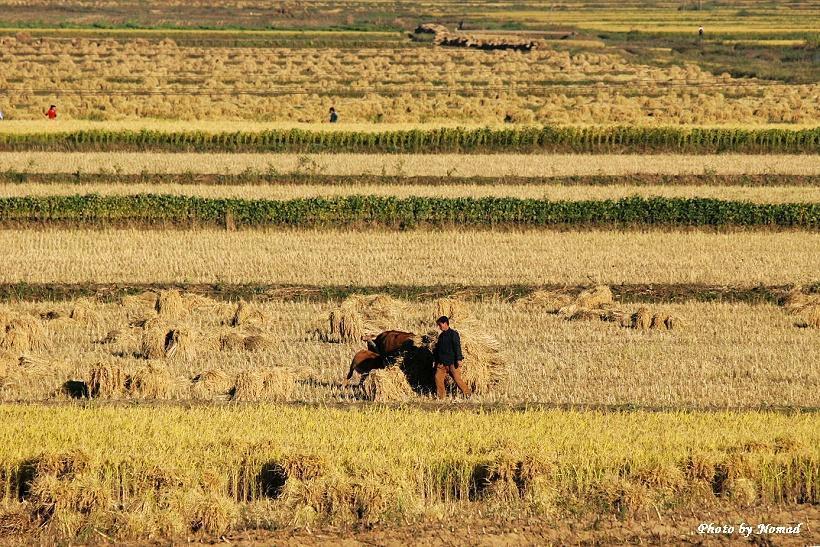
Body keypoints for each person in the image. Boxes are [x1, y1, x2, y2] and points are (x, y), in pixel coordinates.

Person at [433, 316, 471, 399]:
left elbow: (457, 347)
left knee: (457, 379)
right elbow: (438, 349)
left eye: (440, 325)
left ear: (445, 323)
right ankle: (441, 397)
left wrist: (459, 359)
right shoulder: (441, 336)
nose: (439, 327)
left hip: (452, 362)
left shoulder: (454, 334)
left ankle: (468, 394)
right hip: (442, 363)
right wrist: (436, 361)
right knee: (438, 378)